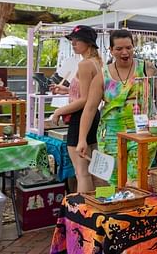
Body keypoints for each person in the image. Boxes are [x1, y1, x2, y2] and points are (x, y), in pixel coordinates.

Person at [78, 30, 157, 186]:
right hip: (110, 137)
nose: (125, 52)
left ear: (133, 47)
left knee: (135, 180)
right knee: (115, 182)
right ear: (111, 50)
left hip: (142, 134)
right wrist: (82, 139)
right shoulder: (102, 76)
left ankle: (135, 208)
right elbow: (90, 108)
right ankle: (118, 208)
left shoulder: (147, 69)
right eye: (119, 49)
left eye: (129, 48)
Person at [48, 25, 102, 192]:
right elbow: (88, 92)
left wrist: (58, 111)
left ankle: (83, 212)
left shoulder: (85, 64)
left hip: (81, 117)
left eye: (77, 40)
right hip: (93, 116)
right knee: (94, 169)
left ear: (89, 42)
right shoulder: (97, 62)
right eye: (72, 40)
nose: (73, 43)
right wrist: (66, 89)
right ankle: (100, 206)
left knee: (82, 172)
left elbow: (85, 99)